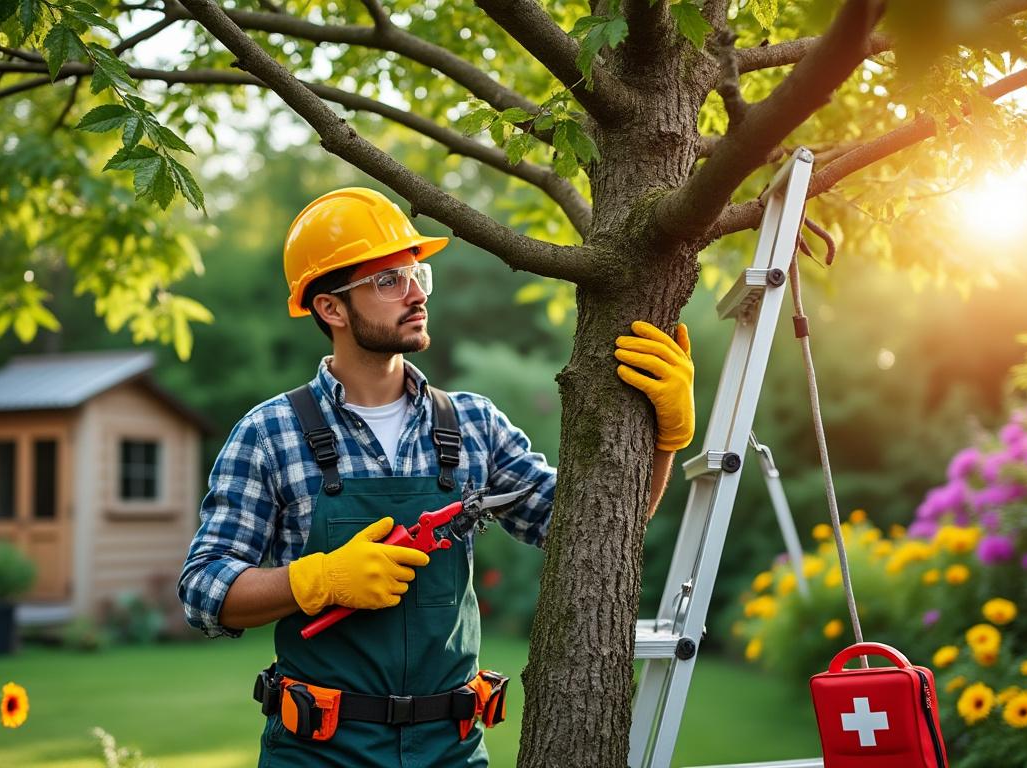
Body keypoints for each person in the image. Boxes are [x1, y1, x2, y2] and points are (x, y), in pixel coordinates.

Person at [177, 187, 696, 767]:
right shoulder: (271, 432)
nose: (417, 292)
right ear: (330, 308)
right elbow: (204, 590)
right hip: (319, 752)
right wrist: (317, 580)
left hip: (451, 751)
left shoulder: (472, 423)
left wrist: (664, 440)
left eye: (417, 273)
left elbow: (592, 528)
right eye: (388, 281)